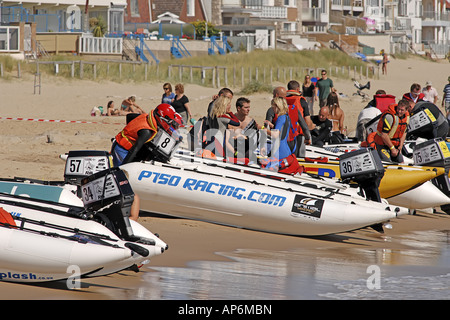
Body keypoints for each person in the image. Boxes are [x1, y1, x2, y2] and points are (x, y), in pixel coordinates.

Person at [110, 103, 183, 220]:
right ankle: (117, 206)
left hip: (126, 145)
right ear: (162, 118)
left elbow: (130, 117)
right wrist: (124, 168)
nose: (169, 124)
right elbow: (135, 149)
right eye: (168, 121)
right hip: (122, 148)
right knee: (120, 180)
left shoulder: (149, 117)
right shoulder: (147, 131)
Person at [261, 97, 303, 175]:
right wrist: (272, 125)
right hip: (286, 149)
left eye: (273, 106)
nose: (272, 108)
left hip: (279, 150)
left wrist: (265, 130)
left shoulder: (280, 118)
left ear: (277, 106)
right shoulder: (286, 116)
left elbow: (275, 134)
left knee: (269, 172)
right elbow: (282, 131)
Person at [285, 80, 312, 157]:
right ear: (297, 89)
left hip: (283, 133)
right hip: (297, 134)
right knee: (298, 156)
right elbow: (307, 121)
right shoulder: (301, 100)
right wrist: (308, 135)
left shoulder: (282, 100)